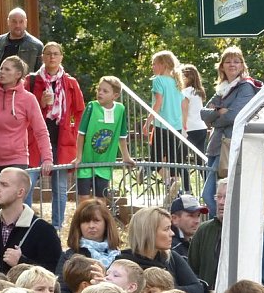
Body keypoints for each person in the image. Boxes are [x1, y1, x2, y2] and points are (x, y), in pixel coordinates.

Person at [0, 56, 53, 212]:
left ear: (18, 74)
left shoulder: (28, 99)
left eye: (7, 69)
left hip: (16, 160)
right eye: (1, 69)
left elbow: (41, 131)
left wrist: (47, 158)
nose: (2, 72)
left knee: (14, 208)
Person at [23, 42, 85, 230]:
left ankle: (57, 227)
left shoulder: (70, 83)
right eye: (48, 53)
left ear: (61, 57)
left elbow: (80, 111)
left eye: (55, 54)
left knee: (60, 186)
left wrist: (74, 132)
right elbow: (23, 108)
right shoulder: (32, 81)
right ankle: (25, 224)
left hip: (62, 139)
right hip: (36, 140)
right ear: (42, 57)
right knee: (28, 182)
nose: (52, 57)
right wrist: (41, 103)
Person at [200, 47, 261, 217]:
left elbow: (234, 116)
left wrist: (216, 117)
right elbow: (203, 113)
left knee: (210, 195)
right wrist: (220, 112)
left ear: (242, 65)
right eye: (228, 61)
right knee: (215, 195)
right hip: (215, 146)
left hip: (228, 146)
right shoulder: (223, 88)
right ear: (222, 66)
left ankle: (221, 231)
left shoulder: (246, 87)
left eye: (236, 61)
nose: (232, 64)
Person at [0, 167, 62, 275]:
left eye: (4, 185)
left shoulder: (44, 231)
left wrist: (21, 262)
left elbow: (54, 276)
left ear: (20, 192)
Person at [72, 76, 135, 205]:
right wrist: (78, 157)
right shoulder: (91, 107)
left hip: (104, 164)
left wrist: (126, 156)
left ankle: (99, 224)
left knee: (100, 200)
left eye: (105, 91)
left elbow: (122, 136)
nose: (100, 93)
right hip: (86, 162)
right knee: (83, 199)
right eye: (99, 89)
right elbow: (81, 134)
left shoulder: (120, 109)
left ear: (115, 95)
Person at [119, 206, 204, 293]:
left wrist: (163, 291)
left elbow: (197, 290)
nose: (172, 233)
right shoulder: (123, 265)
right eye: (166, 229)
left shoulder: (171, 258)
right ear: (149, 233)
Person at [55, 198, 120, 293]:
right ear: (78, 225)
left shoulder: (119, 256)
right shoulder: (70, 256)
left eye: (96, 221)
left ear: (106, 223)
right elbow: (60, 292)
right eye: (86, 222)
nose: (91, 226)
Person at [144, 50, 187, 190]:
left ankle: (169, 182)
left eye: (154, 64)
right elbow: (182, 105)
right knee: (173, 161)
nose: (153, 67)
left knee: (155, 161)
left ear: (163, 64)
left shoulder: (158, 80)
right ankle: (176, 190)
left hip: (162, 125)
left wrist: (147, 122)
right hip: (176, 127)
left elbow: (158, 103)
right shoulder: (177, 82)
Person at [0, 8, 43, 89]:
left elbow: (40, 76)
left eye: (21, 22)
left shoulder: (36, 46)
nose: (17, 25)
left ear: (26, 22)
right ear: (8, 22)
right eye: (14, 21)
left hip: (23, 96)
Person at [188, 178, 227, 291]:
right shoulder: (204, 230)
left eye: (226, 197)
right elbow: (192, 270)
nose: (221, 202)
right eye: (218, 197)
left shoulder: (254, 231)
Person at [181, 64, 208, 155]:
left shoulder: (185, 92)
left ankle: (183, 170)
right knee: (200, 158)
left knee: (179, 158)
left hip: (190, 128)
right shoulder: (197, 92)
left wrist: (183, 129)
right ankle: (205, 170)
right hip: (201, 127)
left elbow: (184, 111)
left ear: (187, 78)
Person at [170, 194, 207, 259]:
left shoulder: (189, 242)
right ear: (174, 219)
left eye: (198, 215)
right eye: (191, 215)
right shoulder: (172, 247)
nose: (197, 221)